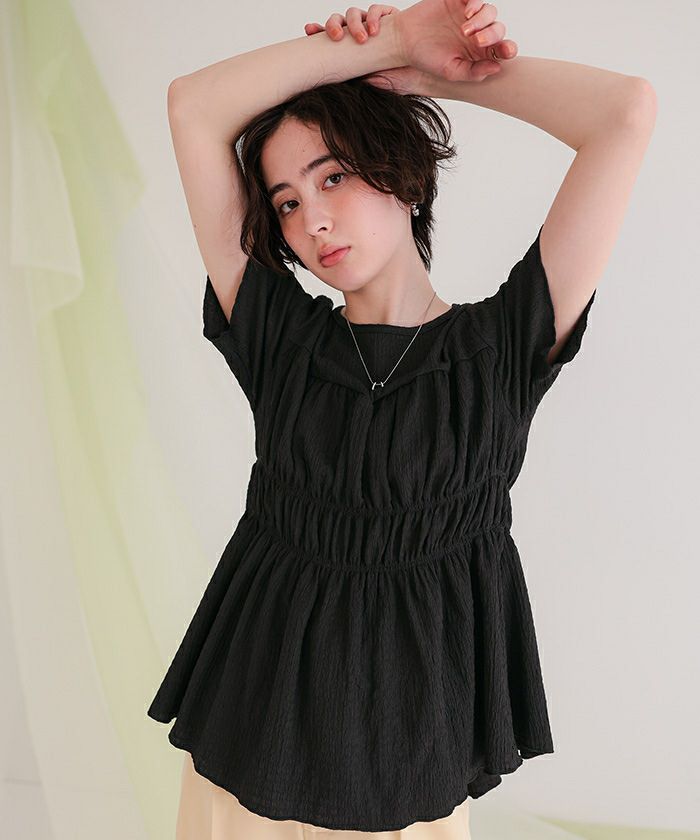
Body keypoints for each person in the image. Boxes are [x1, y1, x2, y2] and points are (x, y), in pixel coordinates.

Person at [148, 1, 657, 837]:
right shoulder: (280, 340)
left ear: (400, 173)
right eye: (285, 202)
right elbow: (192, 108)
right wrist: (381, 42)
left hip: (415, 761)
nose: (310, 220)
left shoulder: (501, 348)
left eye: (332, 177)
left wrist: (419, 77)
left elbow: (626, 113)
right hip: (248, 743)